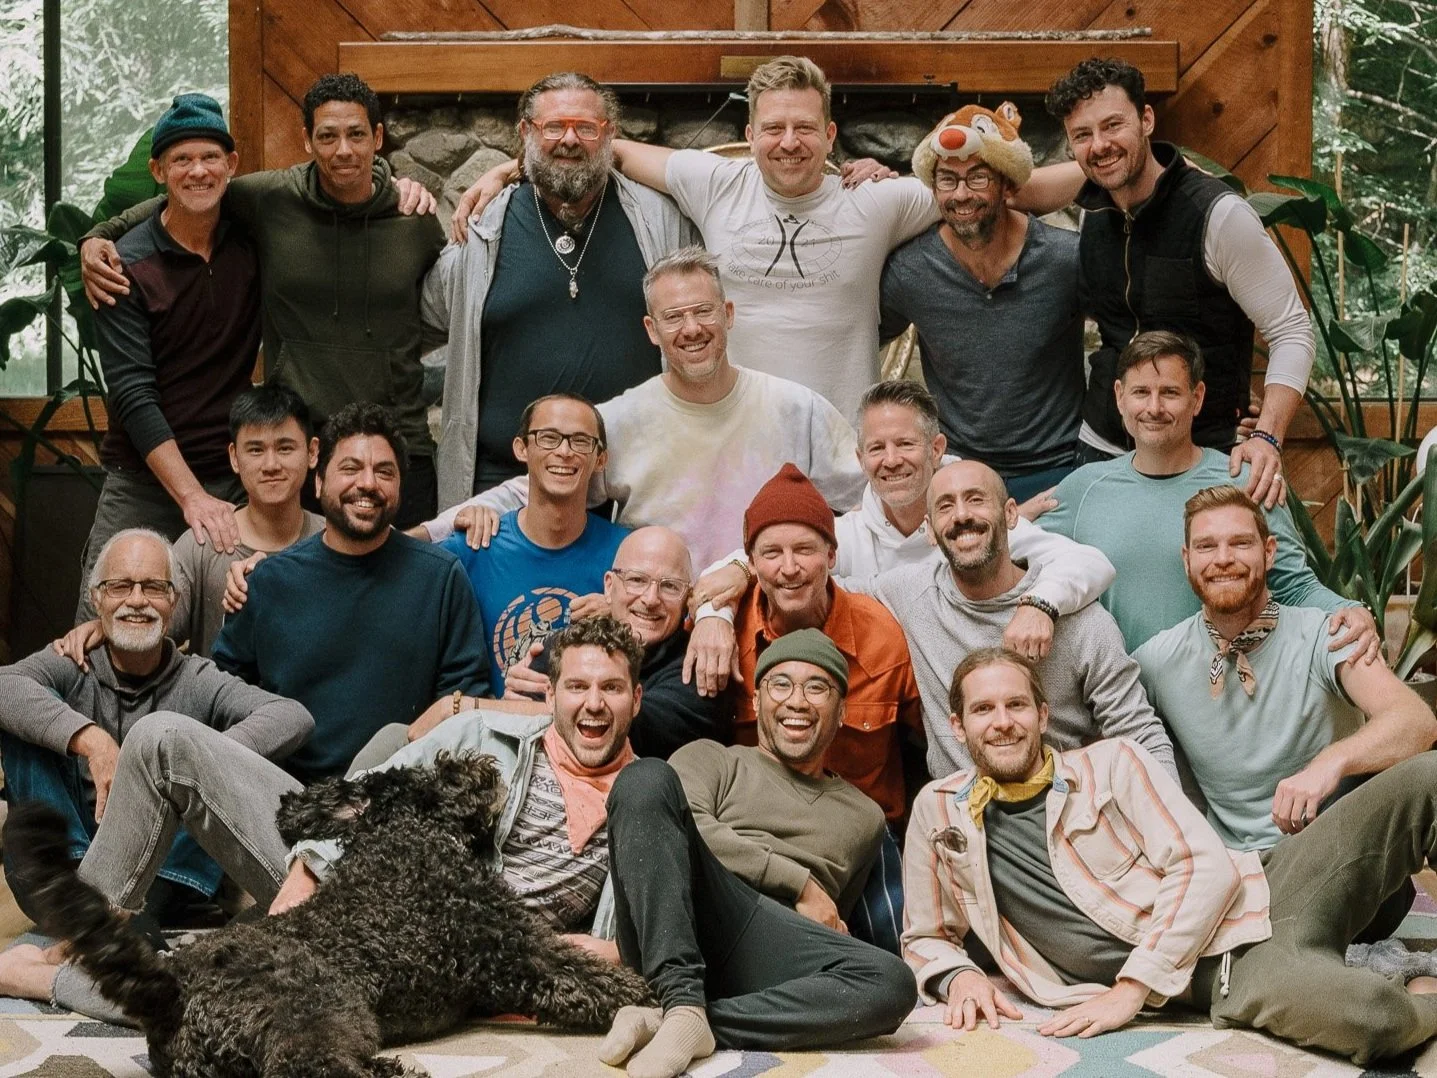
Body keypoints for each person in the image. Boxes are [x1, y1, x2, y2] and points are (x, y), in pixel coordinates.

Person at [0, 617, 639, 1021]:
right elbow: (366, 793)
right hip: (343, 873)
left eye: (611, 688)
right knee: (161, 735)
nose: (593, 704)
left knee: (220, 1004)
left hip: (428, 954)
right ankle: (85, 934)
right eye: (577, 687)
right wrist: (306, 875)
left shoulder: (646, 800)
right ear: (548, 694)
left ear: (637, 698)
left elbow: (660, 921)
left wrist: (610, 950)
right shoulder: (484, 735)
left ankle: (52, 981)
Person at [902, 647, 1437, 1067]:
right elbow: (924, 934)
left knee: (1427, 779)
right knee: (1378, 1022)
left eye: (1016, 705)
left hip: (1270, 882)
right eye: (983, 709)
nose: (1002, 721)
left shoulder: (1112, 763)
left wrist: (1132, 988)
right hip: (1228, 970)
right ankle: (1422, 990)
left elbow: (1207, 866)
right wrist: (958, 976)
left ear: (1042, 716)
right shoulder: (938, 810)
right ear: (958, 726)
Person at [80, 74, 445, 527]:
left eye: (356, 134)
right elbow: (189, 197)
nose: (343, 150)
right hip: (303, 449)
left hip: (398, 442)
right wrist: (99, 235)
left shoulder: (416, 220)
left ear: (378, 137)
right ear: (307, 140)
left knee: (409, 570)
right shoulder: (272, 199)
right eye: (327, 136)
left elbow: (447, 304)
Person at [420, 247, 867, 571]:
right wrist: (430, 533)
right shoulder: (621, 419)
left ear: (728, 314)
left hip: (770, 611)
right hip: (658, 620)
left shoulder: (795, 408)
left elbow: (869, 499)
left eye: (703, 312)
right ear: (652, 330)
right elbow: (541, 484)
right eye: (673, 317)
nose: (691, 329)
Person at [600, 629, 917, 1078]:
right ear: (756, 701)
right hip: (686, 921)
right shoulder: (714, 759)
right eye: (780, 684)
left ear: (843, 710)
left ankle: (676, 1019)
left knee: (893, 982)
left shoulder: (866, 816)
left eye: (817, 688)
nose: (797, 702)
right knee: (643, 779)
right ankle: (680, 998)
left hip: (774, 950)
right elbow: (677, 832)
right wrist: (799, 882)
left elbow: (828, 920)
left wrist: (826, 926)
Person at [0, 529, 311, 924]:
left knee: (207, 762)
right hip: (63, 874)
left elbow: (292, 716)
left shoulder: (197, 679)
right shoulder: (71, 661)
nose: (137, 600)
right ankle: (87, 901)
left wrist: (205, 756)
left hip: (161, 876)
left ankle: (119, 917)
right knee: (22, 717)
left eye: (153, 587)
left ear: (173, 601)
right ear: (96, 599)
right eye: (120, 587)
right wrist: (90, 740)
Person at [1046, 57, 1314, 501]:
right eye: (1082, 134)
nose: (1099, 145)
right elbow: (1011, 190)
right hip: (1103, 450)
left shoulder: (1217, 215)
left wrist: (1267, 435)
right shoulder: (1093, 209)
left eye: (1113, 125)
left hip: (1205, 454)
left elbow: (1292, 329)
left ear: (1146, 120)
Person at [424, 71, 695, 505]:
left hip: (636, 481)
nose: (569, 139)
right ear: (525, 133)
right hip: (500, 485)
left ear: (610, 135)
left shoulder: (661, 221)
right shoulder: (482, 228)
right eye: (554, 127)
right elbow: (426, 314)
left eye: (586, 127)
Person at [1134, 485, 1437, 851]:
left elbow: (1415, 720)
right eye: (1206, 546)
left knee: (1430, 775)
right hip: (1234, 864)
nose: (1223, 558)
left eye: (1241, 543)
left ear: (1269, 552)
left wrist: (1330, 762)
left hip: (1331, 845)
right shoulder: (1159, 660)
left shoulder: (1324, 636)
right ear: (1187, 560)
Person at [1037, 331, 1377, 654]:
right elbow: (1022, 568)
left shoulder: (1246, 481)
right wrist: (1015, 518)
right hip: (1115, 688)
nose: (1154, 407)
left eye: (1170, 393)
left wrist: (1349, 609)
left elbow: (1294, 586)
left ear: (1197, 398)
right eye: (1141, 392)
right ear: (1119, 397)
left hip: (1221, 685)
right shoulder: (1083, 489)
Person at [211, 402, 489, 783]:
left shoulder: (441, 579)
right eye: (350, 468)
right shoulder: (268, 582)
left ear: (400, 488)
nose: (368, 483)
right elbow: (222, 690)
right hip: (283, 792)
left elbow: (462, 710)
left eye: (384, 472)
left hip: (400, 789)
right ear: (319, 482)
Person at [869, 460, 1175, 779]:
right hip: (959, 805)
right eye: (946, 506)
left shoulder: (1079, 618)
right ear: (930, 530)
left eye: (976, 499)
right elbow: (835, 590)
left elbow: (1140, 735)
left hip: (1065, 802)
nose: (961, 515)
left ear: (1011, 514)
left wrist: (1166, 810)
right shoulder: (913, 593)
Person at [75, 93, 256, 621]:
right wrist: (191, 497)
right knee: (101, 626)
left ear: (231, 164)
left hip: (228, 476)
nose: (198, 171)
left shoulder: (253, 238)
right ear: (158, 171)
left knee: (234, 624)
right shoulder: (123, 265)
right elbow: (133, 394)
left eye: (210, 157)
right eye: (181, 159)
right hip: (143, 480)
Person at [881, 104, 1083, 501]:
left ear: (1008, 186)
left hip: (1060, 469)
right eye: (947, 180)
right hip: (960, 472)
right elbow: (856, 336)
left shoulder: (1065, 260)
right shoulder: (911, 270)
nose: (961, 194)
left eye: (977, 178)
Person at [58, 385, 323, 662]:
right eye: (255, 450)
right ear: (234, 458)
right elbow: (151, 625)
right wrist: (102, 629)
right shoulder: (201, 546)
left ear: (312, 452)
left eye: (285, 448)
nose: (271, 465)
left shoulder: (331, 539)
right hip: (217, 689)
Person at [441, 393, 628, 696]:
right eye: (548, 438)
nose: (564, 451)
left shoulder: (627, 555)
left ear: (600, 459)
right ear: (521, 448)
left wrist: (626, 616)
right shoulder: (472, 548)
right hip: (490, 721)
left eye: (581, 441)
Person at [505, 527, 732, 759]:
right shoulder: (566, 646)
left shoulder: (702, 667)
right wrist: (510, 708)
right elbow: (511, 723)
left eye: (669, 586)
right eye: (637, 580)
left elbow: (628, 728)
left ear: (687, 598)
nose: (651, 599)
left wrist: (525, 709)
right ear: (609, 586)